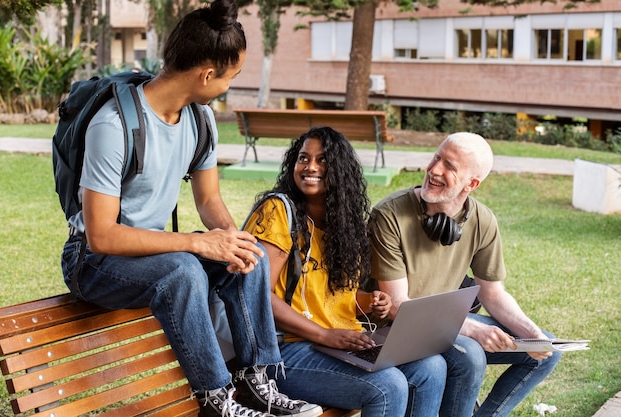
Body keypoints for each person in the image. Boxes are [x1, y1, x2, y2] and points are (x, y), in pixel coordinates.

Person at [59, 2, 322, 417]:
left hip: (157, 254)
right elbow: (102, 235)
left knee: (247, 254)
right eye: (231, 77)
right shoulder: (113, 126)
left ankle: (259, 383)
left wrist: (232, 243)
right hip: (93, 263)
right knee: (182, 268)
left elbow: (209, 201)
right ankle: (218, 401)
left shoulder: (200, 120)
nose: (229, 86)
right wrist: (198, 245)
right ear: (206, 75)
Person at [243, 126, 447, 417]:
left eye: (322, 160)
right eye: (303, 158)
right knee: (387, 386)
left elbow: (332, 299)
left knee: (431, 367)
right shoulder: (278, 211)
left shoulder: (345, 225)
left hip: (338, 345)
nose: (310, 167)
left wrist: (370, 303)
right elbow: (256, 295)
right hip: (284, 351)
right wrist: (325, 335)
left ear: (340, 171)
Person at [367, 132, 562, 417]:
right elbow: (398, 307)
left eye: (449, 166)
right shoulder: (389, 215)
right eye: (437, 158)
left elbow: (492, 292)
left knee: (548, 350)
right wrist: (471, 329)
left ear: (472, 184)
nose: (434, 170)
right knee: (469, 355)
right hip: (398, 327)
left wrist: (531, 333)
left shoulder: (482, 220)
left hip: (447, 323)